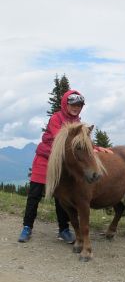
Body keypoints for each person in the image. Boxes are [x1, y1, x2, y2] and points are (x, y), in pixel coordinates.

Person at [18, 90, 85, 243]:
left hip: (60, 163)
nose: (76, 107)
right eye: (73, 104)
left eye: (79, 105)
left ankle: (64, 229)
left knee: (61, 198)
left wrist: (94, 148)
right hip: (44, 160)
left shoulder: (78, 122)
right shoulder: (56, 118)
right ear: (65, 104)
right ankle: (27, 227)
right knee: (34, 195)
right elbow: (61, 139)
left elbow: (80, 143)